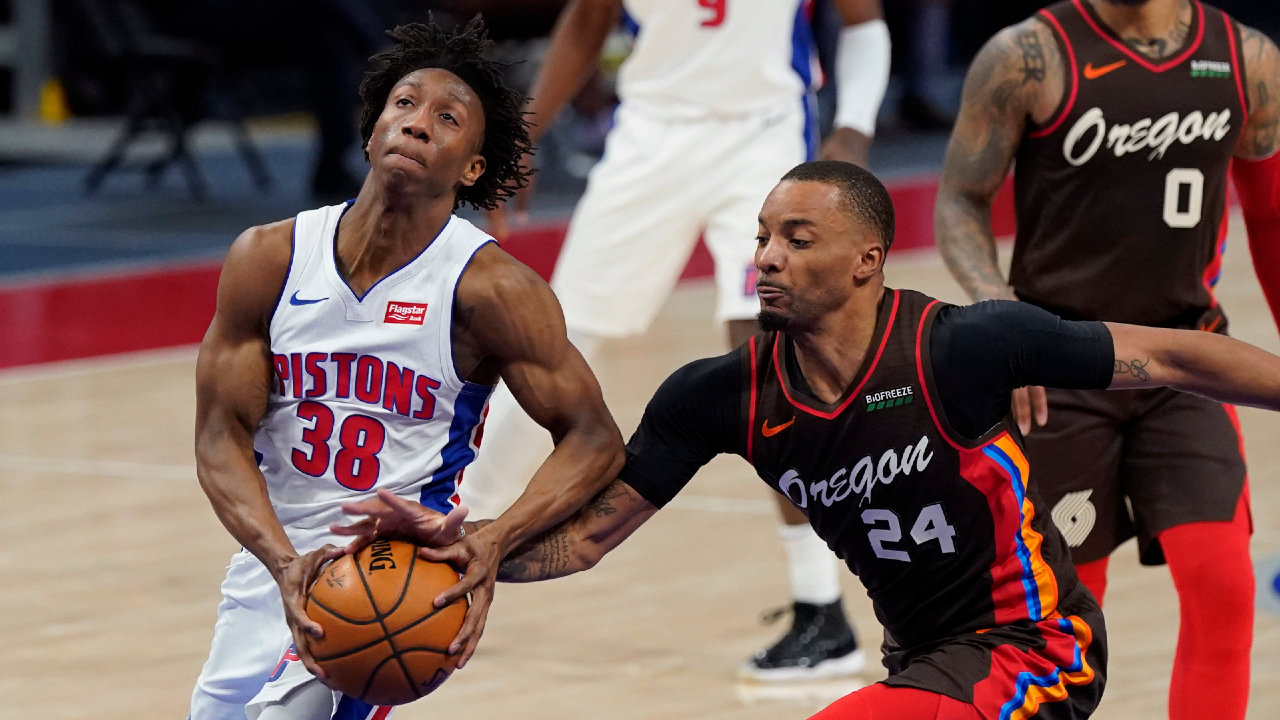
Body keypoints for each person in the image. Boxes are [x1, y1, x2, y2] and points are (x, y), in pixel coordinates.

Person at [338, 160, 1280, 719]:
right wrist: (477, 555)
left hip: (1036, 648)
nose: (766, 256)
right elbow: (588, 536)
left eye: (796, 238)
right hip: (923, 664)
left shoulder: (965, 346)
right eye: (760, 237)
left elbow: (1177, 357)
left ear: (869, 260)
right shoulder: (721, 395)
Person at [188, 19, 624, 720]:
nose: (417, 125)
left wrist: (494, 537)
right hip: (269, 568)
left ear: (472, 168)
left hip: (386, 575)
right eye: (404, 105)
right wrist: (280, 562)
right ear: (370, 133)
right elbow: (219, 438)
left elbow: (594, 437)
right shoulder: (267, 258)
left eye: (447, 119)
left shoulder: (492, 289)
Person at [462, 0, 894, 681]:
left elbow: (863, 20)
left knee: (771, 361)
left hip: (765, 136)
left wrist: (853, 131)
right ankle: (461, 542)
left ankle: (822, 607)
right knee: (552, 339)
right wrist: (521, 137)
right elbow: (585, 23)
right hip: (650, 136)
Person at [932, 2, 1280, 718]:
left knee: (1224, 588)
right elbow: (960, 201)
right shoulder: (1028, 55)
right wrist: (1002, 316)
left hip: (1187, 358)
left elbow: (1273, 219)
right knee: (1067, 622)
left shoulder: (1247, 60)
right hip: (1059, 364)